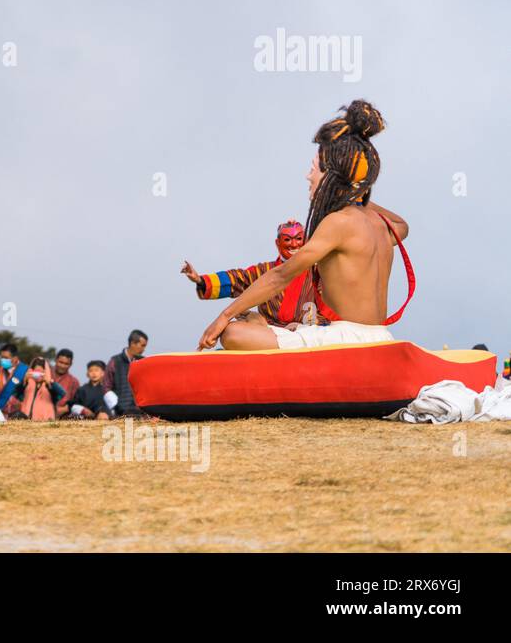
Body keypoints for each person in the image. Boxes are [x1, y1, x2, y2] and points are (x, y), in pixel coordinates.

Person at [199, 100, 411, 351]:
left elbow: (281, 275)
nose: (308, 176)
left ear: (331, 176)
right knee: (278, 327)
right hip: (381, 335)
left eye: (313, 169)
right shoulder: (379, 224)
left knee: (234, 332)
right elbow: (403, 225)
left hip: (346, 340)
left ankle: (257, 325)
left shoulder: (338, 223)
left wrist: (224, 316)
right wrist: (355, 189)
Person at [182, 219, 324, 327]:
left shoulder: (317, 269)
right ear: (277, 243)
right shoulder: (265, 271)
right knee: (235, 327)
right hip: (270, 334)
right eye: (287, 239)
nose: (294, 245)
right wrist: (200, 280)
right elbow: (237, 279)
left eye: (298, 239)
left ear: (305, 241)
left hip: (309, 333)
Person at [104, 330, 147, 417]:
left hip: (140, 411)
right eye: (142, 345)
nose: (144, 349)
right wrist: (116, 405)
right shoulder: (115, 361)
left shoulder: (144, 362)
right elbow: (106, 386)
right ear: (133, 343)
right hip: (120, 413)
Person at [51, 349, 82, 414]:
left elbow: (76, 403)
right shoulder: (45, 374)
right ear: (55, 360)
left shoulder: (74, 382)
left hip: (62, 417)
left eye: (66, 364)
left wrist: (65, 409)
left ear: (71, 364)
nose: (62, 366)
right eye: (61, 362)